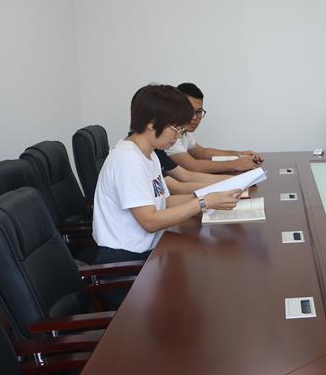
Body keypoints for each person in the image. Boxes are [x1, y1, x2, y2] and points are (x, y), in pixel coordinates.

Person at [93, 84, 241, 266]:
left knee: (214, 252)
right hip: (126, 260)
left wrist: (213, 196)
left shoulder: (150, 154)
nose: (177, 137)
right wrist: (203, 202)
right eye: (175, 129)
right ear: (151, 123)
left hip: (152, 248)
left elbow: (165, 201)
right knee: (211, 257)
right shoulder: (127, 159)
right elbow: (150, 221)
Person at [165, 83, 264, 174]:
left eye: (199, 112)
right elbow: (193, 167)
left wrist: (240, 154)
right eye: (190, 111)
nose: (195, 117)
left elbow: (203, 153)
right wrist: (235, 164)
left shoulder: (185, 132)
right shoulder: (168, 136)